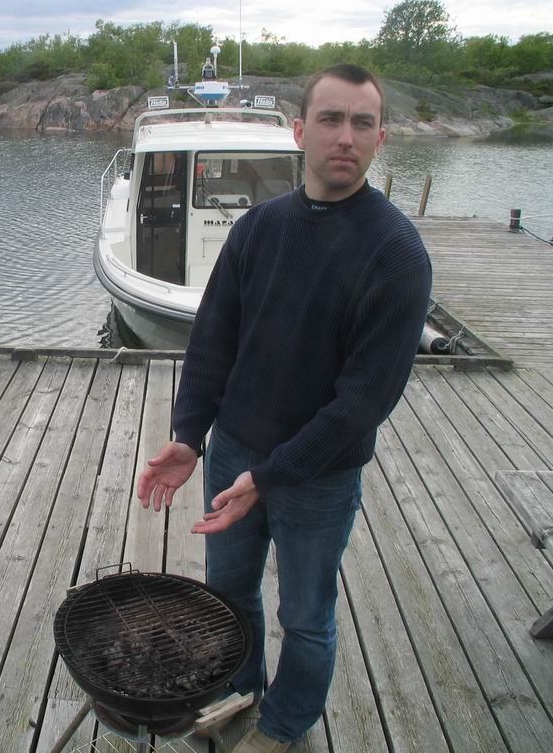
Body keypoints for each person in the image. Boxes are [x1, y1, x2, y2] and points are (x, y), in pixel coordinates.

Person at [136, 64, 431, 753]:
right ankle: (238, 696)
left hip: (319, 474)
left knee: (305, 616)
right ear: (300, 131)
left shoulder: (397, 255)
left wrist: (270, 477)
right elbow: (213, 342)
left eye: (361, 123)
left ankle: (284, 724)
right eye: (330, 119)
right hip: (234, 450)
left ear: (381, 139)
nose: (345, 136)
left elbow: (363, 403)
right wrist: (189, 436)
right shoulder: (258, 229)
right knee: (229, 598)